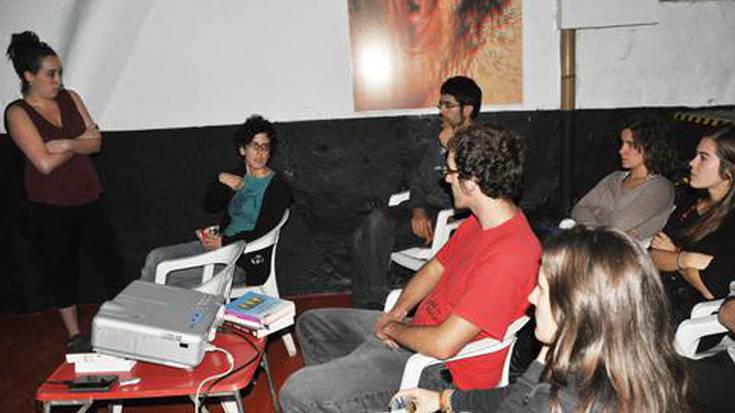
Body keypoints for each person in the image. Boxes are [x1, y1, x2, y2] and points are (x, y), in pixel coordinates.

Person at [280, 124, 541, 412]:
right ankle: (346, 389)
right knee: (313, 325)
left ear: (472, 181)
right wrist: (397, 312)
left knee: (296, 392)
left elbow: (444, 344)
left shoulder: (511, 255)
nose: (446, 179)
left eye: (451, 171)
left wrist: (393, 329)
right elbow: (434, 268)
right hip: (418, 332)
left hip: (440, 370)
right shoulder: (478, 222)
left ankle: (342, 389)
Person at [394, 227, 692, 413]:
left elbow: (522, 403)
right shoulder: (638, 371)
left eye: (542, 289)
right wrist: (444, 400)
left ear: (576, 308)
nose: (532, 298)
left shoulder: (561, 403)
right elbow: (513, 398)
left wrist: (540, 361)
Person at [4, 31, 124, 353]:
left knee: (111, 263)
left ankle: (129, 321)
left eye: (59, 73)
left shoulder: (70, 97)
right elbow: (43, 163)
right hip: (51, 205)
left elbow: (95, 143)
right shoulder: (17, 112)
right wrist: (79, 142)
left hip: (88, 195)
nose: (58, 80)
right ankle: (74, 335)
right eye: (51, 74)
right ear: (29, 76)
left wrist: (67, 143)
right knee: (63, 270)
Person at [351, 75, 482, 309]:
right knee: (372, 224)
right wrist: (418, 210)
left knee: (368, 234)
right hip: (424, 211)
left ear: (468, 109)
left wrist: (449, 147)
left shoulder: (479, 143)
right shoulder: (438, 139)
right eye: (440, 104)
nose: (442, 111)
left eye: (448, 105)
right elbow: (418, 181)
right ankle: (371, 304)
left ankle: (370, 306)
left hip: (450, 215)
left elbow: (469, 192)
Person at [140, 115, 292, 288]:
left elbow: (263, 230)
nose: (260, 152)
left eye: (265, 147)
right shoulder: (237, 175)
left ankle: (151, 304)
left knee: (168, 275)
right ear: (242, 149)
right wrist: (221, 179)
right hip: (220, 247)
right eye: (254, 146)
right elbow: (211, 206)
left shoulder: (278, 186)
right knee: (156, 258)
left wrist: (224, 242)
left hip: (242, 261)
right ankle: (144, 304)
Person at [650, 125, 735, 324]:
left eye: (703, 158)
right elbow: (653, 255)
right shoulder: (691, 204)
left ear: (729, 171)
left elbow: (711, 289)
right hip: (660, 293)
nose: (691, 163)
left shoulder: (731, 222)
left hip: (693, 315)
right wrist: (688, 259)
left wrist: (675, 255)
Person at [570, 116, 678, 242]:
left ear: (650, 147)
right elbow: (578, 209)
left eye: (630, 145)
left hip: (622, 252)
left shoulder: (660, 187)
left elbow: (617, 225)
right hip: (595, 244)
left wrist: (596, 214)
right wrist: (604, 225)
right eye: (622, 143)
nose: (621, 151)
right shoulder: (614, 177)